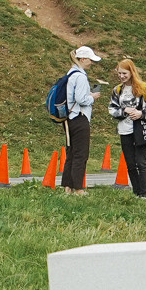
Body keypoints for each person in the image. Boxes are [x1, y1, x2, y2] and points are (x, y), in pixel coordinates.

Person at [109, 56, 146, 198]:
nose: (121, 76)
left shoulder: (144, 88)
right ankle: (136, 192)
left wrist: (141, 113)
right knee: (130, 163)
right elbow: (112, 109)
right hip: (124, 130)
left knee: (141, 162)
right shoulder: (117, 90)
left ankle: (144, 194)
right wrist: (123, 111)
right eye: (119, 73)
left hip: (140, 130)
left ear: (132, 72)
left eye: (124, 73)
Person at [59, 46, 100, 194]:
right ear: (83, 59)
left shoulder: (71, 73)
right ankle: (78, 188)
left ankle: (67, 186)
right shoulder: (81, 76)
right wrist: (92, 97)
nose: (91, 63)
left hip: (69, 118)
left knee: (71, 152)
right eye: (90, 60)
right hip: (80, 117)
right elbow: (81, 99)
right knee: (81, 153)